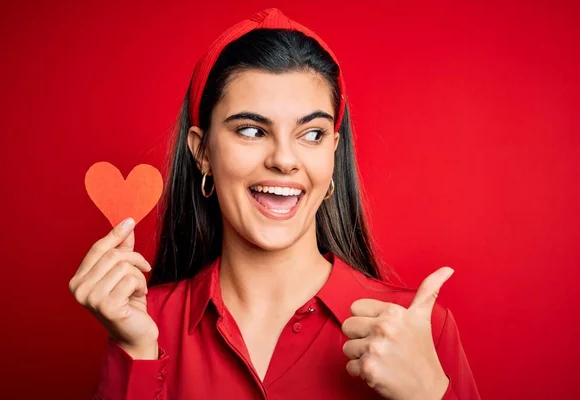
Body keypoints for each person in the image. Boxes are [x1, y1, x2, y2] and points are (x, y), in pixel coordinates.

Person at [69, 8, 481, 400]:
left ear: (333, 154)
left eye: (313, 134)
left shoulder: (418, 328)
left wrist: (429, 393)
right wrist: (136, 355)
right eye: (251, 130)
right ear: (202, 152)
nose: (284, 159)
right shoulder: (144, 325)